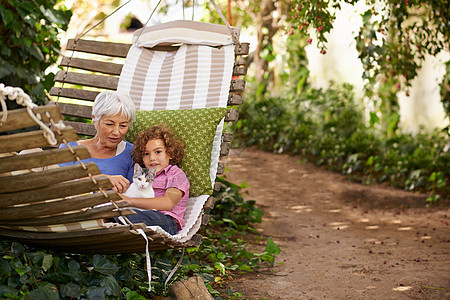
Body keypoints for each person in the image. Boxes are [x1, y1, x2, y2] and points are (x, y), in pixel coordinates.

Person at [117, 125, 190, 235]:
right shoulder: (142, 175)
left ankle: (112, 220)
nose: (152, 158)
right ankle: (108, 220)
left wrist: (128, 200)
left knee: (129, 215)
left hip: (165, 220)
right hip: (142, 212)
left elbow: (168, 202)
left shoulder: (175, 174)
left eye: (158, 152)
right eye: (146, 154)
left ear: (170, 153)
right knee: (120, 212)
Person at [59, 90, 136, 193]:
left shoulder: (132, 153)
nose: (117, 132)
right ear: (95, 120)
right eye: (109, 124)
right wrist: (101, 179)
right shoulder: (70, 147)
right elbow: (60, 182)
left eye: (123, 126)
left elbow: (134, 194)